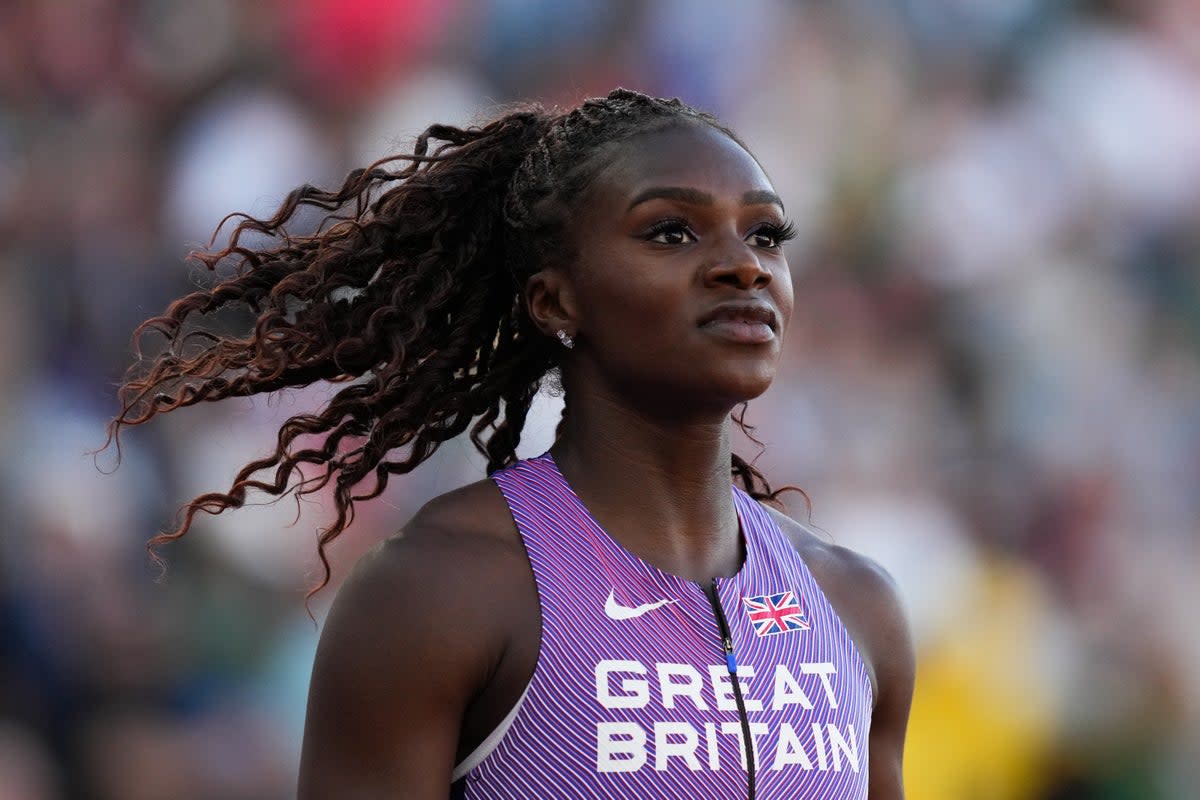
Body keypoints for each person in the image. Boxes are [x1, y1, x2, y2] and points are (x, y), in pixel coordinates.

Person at [109, 88, 914, 799]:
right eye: (671, 232)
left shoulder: (856, 608)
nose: (744, 267)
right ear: (555, 300)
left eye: (767, 234)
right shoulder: (438, 593)